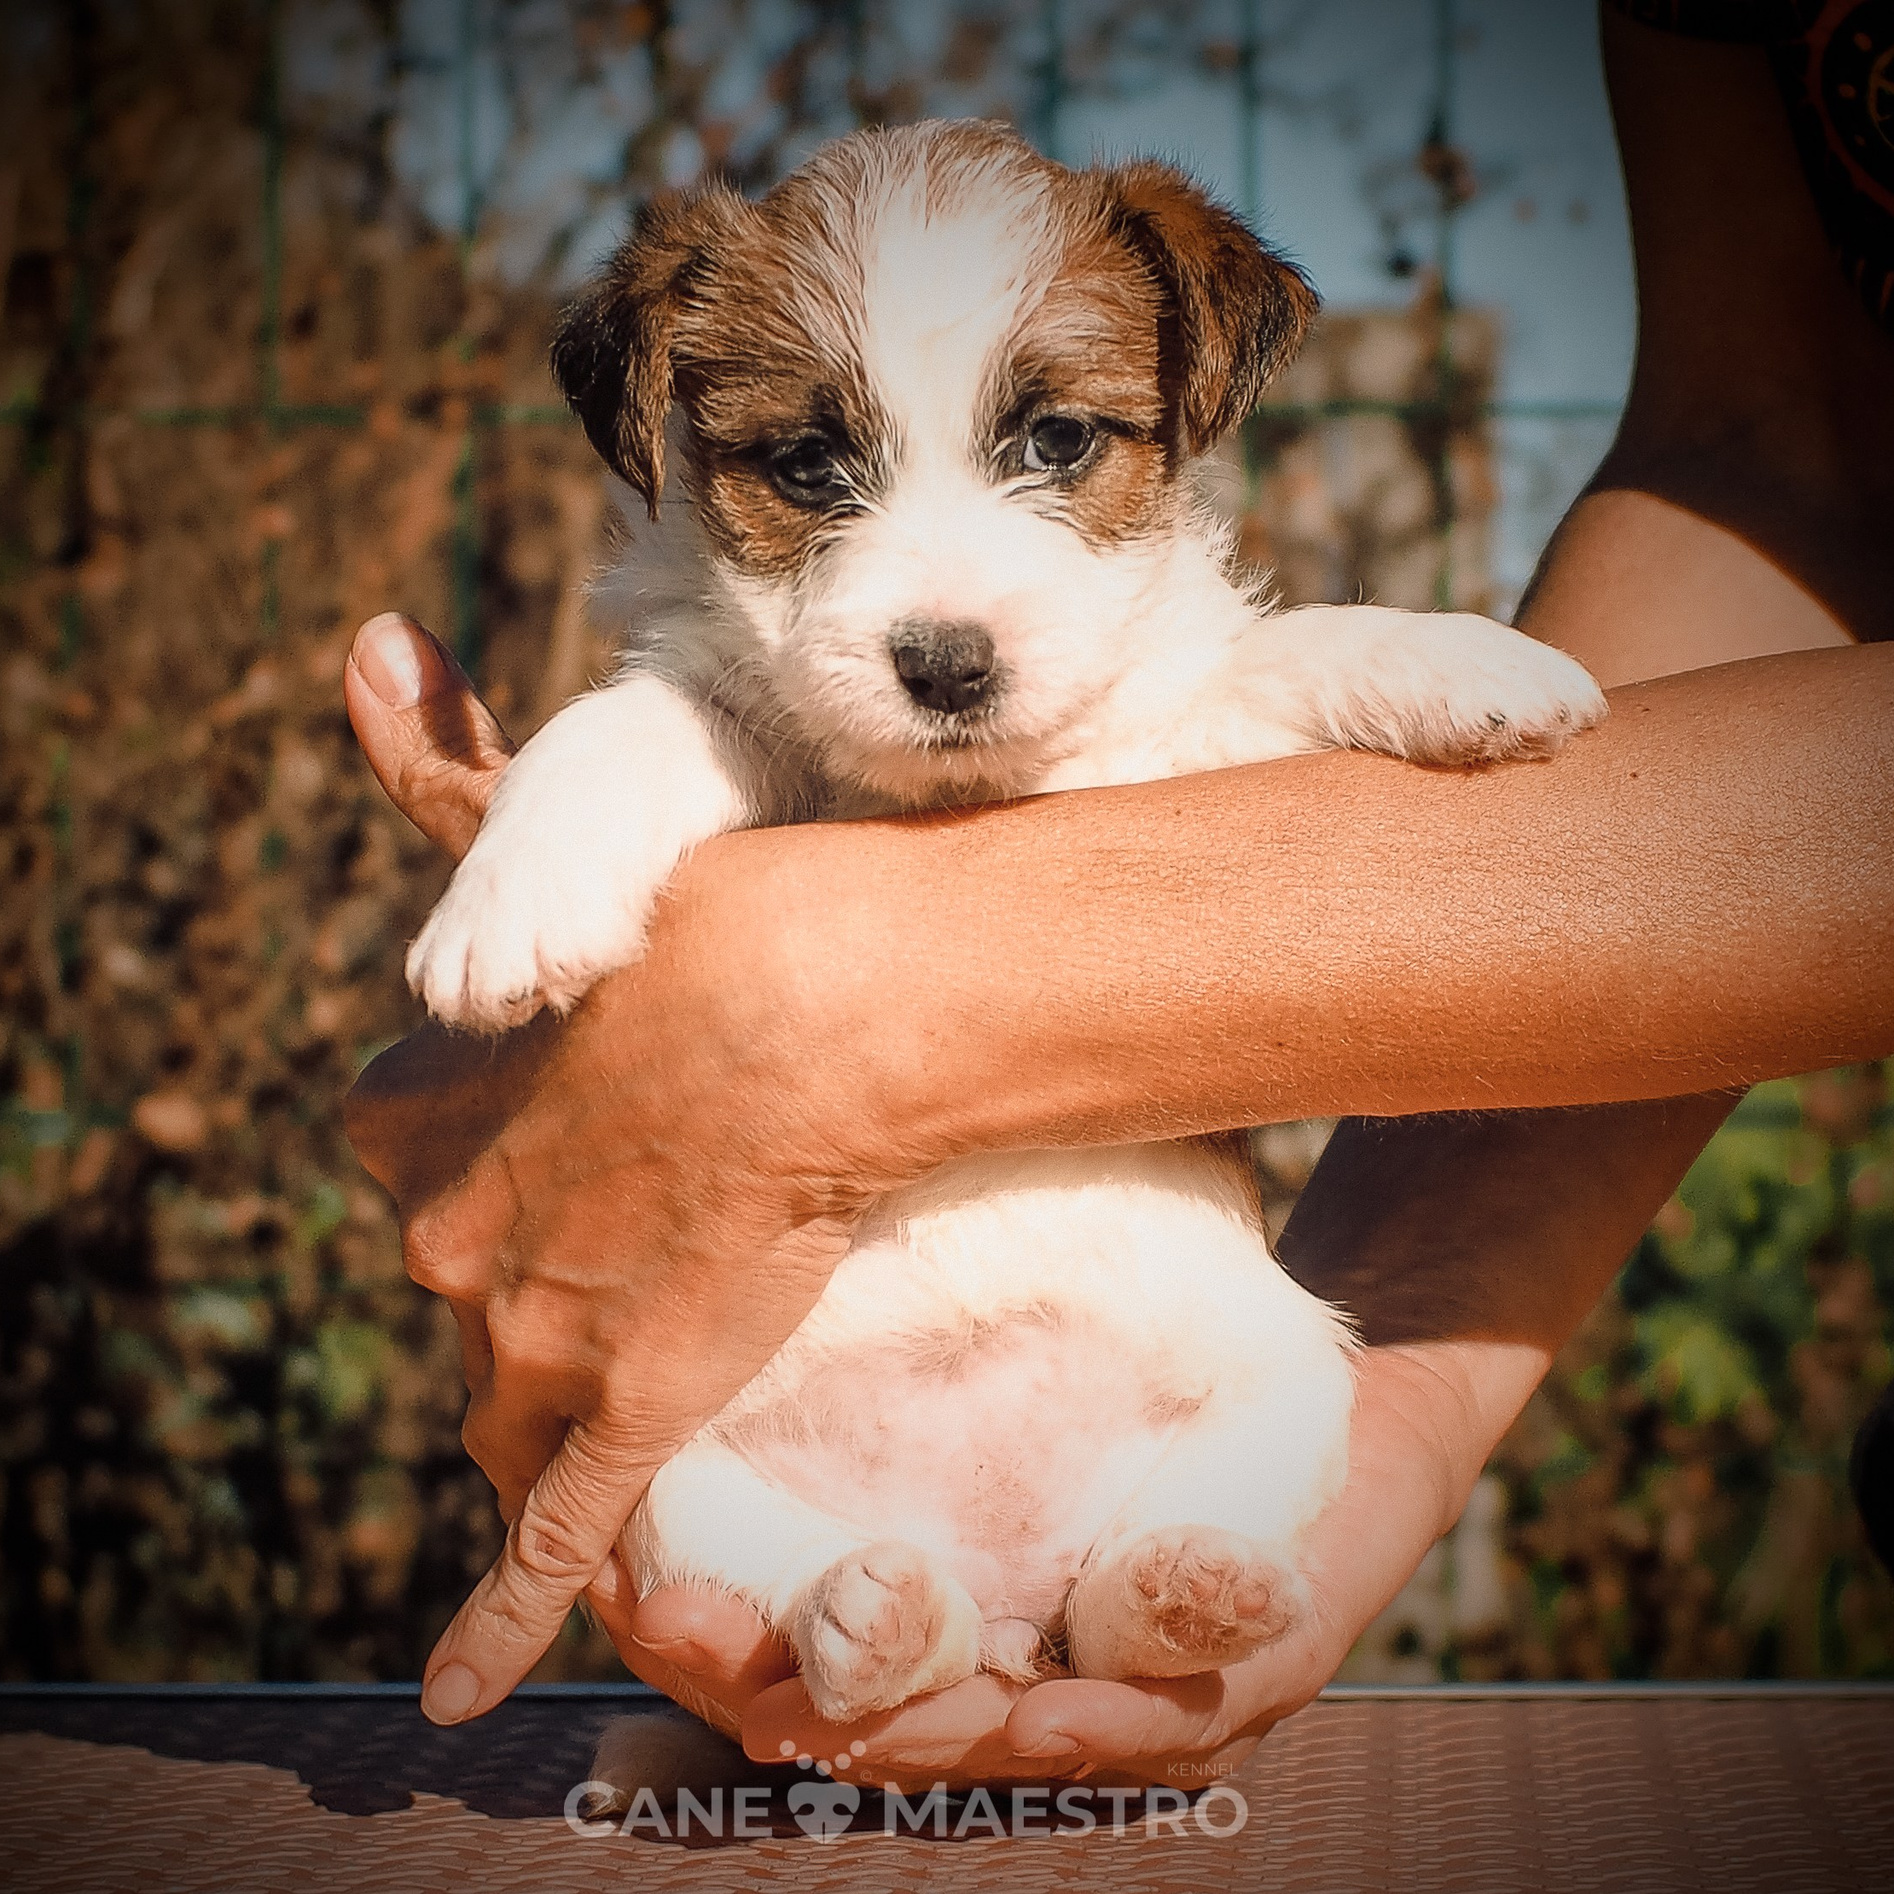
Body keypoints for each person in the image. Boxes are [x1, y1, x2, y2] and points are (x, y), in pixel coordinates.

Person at [343, 4, 1894, 1788]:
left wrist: (1345, 672)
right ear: (668, 435)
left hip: (1126, 1353)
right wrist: (583, 794)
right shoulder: (719, 690)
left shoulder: (1183, 634)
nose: (937, 602)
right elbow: (1774, 453)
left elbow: (1235, 707)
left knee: (1281, 1378)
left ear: (1193, 395)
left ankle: (1157, 1573)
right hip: (830, 1408)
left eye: (1054, 444)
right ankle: (857, 1597)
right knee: (688, 1479)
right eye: (806, 471)